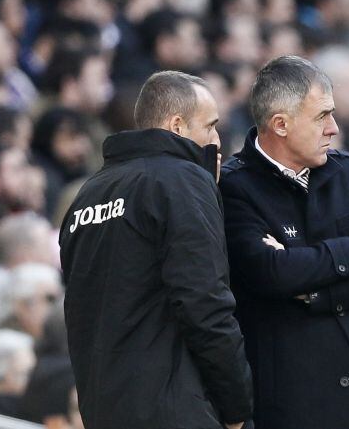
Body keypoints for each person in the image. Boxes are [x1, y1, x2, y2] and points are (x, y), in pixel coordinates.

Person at [219, 55, 349, 429]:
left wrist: (317, 294)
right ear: (281, 124)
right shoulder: (233, 187)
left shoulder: (344, 171)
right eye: (321, 116)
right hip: (295, 399)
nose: (334, 128)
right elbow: (270, 273)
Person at [59, 71, 252, 429]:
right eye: (209, 126)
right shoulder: (181, 178)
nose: (216, 140)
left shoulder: (89, 192)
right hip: (176, 408)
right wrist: (238, 406)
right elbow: (206, 303)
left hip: (103, 407)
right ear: (177, 126)